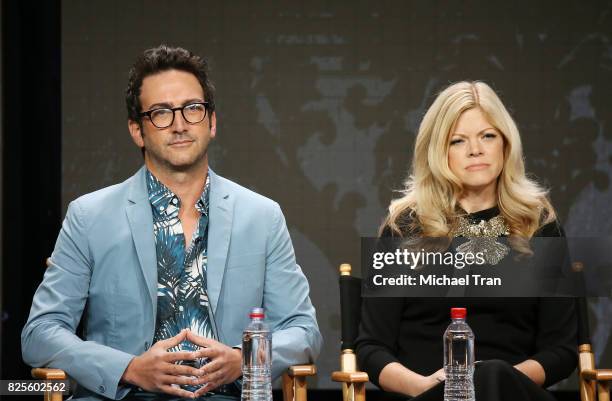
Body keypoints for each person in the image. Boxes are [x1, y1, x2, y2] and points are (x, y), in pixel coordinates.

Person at [21, 45, 322, 401]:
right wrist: (128, 368)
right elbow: (40, 333)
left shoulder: (262, 216)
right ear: (137, 130)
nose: (179, 125)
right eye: (161, 113)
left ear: (211, 121)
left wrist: (243, 360)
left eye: (192, 109)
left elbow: (304, 332)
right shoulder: (89, 216)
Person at [355, 81, 577, 401]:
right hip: (426, 394)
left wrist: (496, 381)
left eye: (488, 136)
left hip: (514, 395)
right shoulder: (404, 228)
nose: (476, 149)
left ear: (505, 143)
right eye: (458, 141)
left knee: (493, 376)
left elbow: (563, 350)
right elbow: (371, 348)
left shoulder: (540, 227)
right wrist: (428, 387)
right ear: (438, 151)